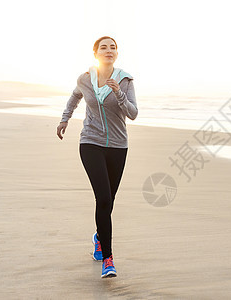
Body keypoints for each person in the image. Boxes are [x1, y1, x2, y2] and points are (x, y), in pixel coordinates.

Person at [56, 36, 138, 278]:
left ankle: (98, 237)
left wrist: (119, 94)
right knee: (103, 198)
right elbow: (74, 96)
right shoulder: (85, 78)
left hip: (118, 146)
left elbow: (133, 113)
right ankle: (108, 259)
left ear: (117, 53)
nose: (109, 51)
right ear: (96, 53)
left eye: (113, 47)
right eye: (104, 47)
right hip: (90, 142)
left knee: (109, 202)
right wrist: (65, 118)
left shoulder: (125, 80)